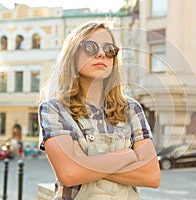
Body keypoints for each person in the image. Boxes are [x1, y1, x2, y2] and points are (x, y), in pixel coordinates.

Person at [38, 20, 160, 199]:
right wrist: (128, 155)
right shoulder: (55, 109)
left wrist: (84, 163)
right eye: (91, 47)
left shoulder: (131, 109)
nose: (102, 54)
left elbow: (151, 176)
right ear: (73, 55)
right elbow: (69, 174)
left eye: (109, 49)